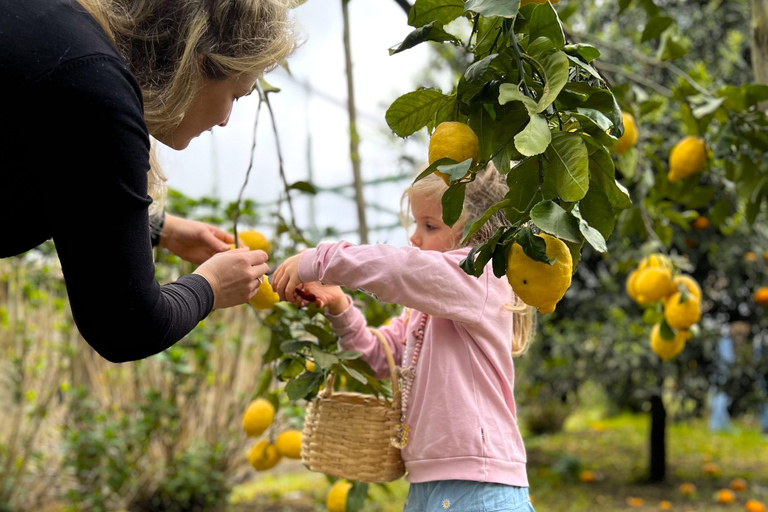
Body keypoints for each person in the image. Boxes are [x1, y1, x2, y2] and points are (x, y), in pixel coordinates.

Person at [0, 0, 297, 362]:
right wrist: (212, 286)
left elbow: (71, 184)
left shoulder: (61, 37)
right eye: (235, 95)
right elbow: (127, 326)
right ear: (198, 62)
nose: (224, 120)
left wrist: (159, 228)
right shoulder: (97, 92)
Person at [272, 166, 537, 511]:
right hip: (426, 480)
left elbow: (402, 269)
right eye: (415, 224)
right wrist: (338, 306)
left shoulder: (480, 275)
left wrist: (320, 260)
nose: (414, 237)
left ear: (476, 233)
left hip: (479, 480)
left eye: (430, 226)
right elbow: (376, 357)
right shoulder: (423, 312)